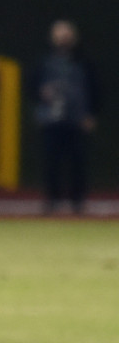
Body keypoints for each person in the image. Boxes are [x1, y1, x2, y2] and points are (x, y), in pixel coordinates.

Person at [27, 19, 101, 214]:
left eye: (66, 35)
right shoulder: (44, 61)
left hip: (77, 120)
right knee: (51, 163)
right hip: (51, 120)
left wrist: (91, 114)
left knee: (78, 162)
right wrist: (41, 94)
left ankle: (78, 202)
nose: (63, 39)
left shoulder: (84, 61)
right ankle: (52, 201)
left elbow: (95, 89)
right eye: (59, 35)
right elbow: (31, 88)